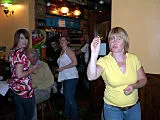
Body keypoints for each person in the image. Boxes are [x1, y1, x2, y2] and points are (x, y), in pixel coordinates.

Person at [87, 27, 147, 120]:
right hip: (112, 109)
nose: (114, 42)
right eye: (112, 38)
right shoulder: (104, 61)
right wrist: (94, 54)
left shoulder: (134, 59)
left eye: (119, 38)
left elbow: (143, 79)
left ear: (125, 42)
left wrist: (134, 86)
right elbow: (91, 77)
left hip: (133, 108)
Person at [9, 29, 37, 120]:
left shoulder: (13, 51)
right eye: (21, 38)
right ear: (17, 39)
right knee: (28, 116)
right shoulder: (21, 54)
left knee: (20, 116)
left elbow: (16, 70)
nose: (25, 41)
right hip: (25, 91)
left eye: (26, 38)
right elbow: (19, 74)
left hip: (16, 89)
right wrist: (31, 70)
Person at [26, 48, 57, 120]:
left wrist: (36, 88)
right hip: (31, 91)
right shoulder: (28, 67)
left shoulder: (44, 65)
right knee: (22, 99)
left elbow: (50, 81)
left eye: (34, 57)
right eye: (30, 58)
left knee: (31, 100)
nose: (32, 59)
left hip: (44, 90)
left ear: (37, 56)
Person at [57, 36, 79, 120]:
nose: (61, 41)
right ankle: (66, 114)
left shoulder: (69, 50)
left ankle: (74, 117)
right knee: (67, 97)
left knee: (70, 98)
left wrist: (63, 68)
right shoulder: (62, 51)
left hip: (71, 77)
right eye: (60, 40)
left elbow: (75, 62)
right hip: (66, 77)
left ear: (67, 42)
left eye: (64, 40)